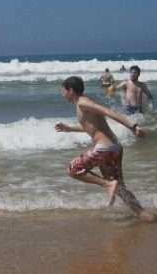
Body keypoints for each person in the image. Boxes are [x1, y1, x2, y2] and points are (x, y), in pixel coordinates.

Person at [56, 76, 149, 216]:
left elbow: (108, 112)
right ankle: (144, 214)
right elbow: (92, 128)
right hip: (114, 148)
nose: (62, 95)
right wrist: (69, 129)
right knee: (120, 189)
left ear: (70, 90)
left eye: (63, 91)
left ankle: (107, 184)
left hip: (105, 149)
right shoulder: (83, 103)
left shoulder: (83, 102)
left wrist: (133, 126)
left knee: (73, 169)